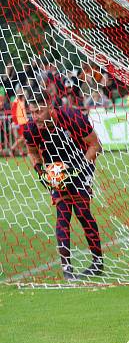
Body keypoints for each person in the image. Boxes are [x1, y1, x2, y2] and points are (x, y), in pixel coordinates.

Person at [23, 89, 104, 280]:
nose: (35, 117)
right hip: (55, 171)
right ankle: (67, 269)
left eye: (39, 112)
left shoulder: (72, 117)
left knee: (83, 212)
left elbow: (95, 146)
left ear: (50, 108)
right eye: (32, 112)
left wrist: (79, 168)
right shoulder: (31, 128)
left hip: (81, 163)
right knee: (63, 213)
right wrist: (41, 171)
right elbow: (33, 152)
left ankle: (97, 263)